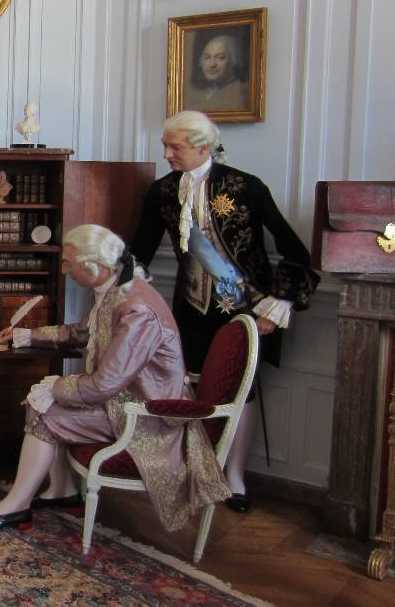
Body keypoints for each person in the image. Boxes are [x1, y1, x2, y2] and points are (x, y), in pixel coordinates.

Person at [0, 225, 229, 533]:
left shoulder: (137, 309)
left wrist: (54, 387)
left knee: (42, 406)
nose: (64, 270)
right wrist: (27, 336)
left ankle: (18, 504)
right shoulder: (119, 289)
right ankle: (60, 491)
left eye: (69, 263)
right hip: (125, 401)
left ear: (96, 266)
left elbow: (105, 384)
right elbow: (86, 332)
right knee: (44, 398)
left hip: (146, 417)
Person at [130, 110, 320, 512]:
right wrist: (124, 288)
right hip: (189, 307)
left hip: (245, 312)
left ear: (203, 146)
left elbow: (297, 251)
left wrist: (275, 308)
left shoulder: (245, 187)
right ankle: (196, 468)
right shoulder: (163, 191)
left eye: (174, 146)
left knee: (241, 391)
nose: (165, 153)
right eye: (165, 144)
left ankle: (233, 476)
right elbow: (140, 251)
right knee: (190, 386)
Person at [184, 35, 248, 112]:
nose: (212, 64)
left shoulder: (242, 93)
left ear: (233, 61)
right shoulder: (201, 93)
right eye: (207, 57)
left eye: (220, 57)